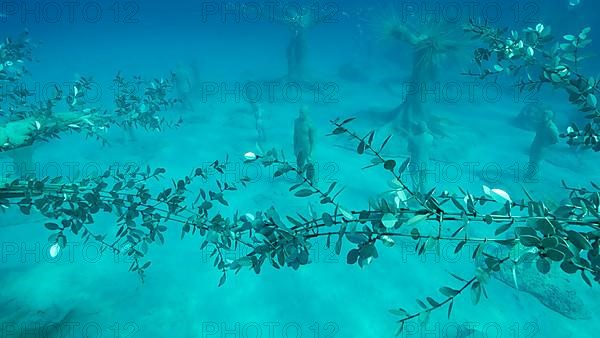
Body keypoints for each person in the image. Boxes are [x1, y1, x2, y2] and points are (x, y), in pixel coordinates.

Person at [526, 110, 559, 179]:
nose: (543, 117)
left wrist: (547, 144)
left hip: (543, 147)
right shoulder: (540, 124)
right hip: (535, 144)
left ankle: (532, 176)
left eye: (546, 115)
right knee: (531, 158)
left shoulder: (551, 128)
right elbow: (535, 128)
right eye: (543, 115)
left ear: (549, 117)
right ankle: (529, 173)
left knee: (536, 161)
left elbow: (556, 139)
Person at [407, 121, 433, 194]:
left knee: (415, 181)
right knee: (424, 181)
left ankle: (415, 196)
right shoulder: (430, 137)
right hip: (425, 163)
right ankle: (423, 196)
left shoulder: (412, 138)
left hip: (414, 162)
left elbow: (409, 149)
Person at [293, 105, 315, 172]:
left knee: (310, 166)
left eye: (303, 112)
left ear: (307, 113)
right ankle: (299, 179)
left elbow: (312, 140)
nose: (301, 114)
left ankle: (313, 181)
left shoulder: (310, 124)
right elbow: (295, 135)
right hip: (299, 147)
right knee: (299, 165)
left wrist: (311, 153)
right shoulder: (296, 121)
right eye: (300, 112)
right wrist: (295, 148)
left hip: (307, 148)